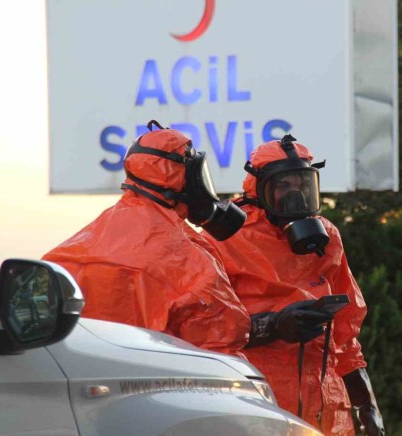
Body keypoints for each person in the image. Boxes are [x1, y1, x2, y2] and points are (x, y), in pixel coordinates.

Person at [205, 135, 385, 436]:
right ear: (259, 189)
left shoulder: (326, 236)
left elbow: (344, 332)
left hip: (323, 406)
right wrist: (272, 326)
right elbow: (203, 330)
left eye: (303, 184)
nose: (295, 194)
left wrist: (365, 402)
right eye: (283, 185)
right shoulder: (223, 238)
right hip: (254, 403)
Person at [43, 121, 250, 356]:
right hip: (160, 384)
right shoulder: (189, 260)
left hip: (83, 380)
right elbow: (221, 344)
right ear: (185, 178)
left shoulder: (70, 252)